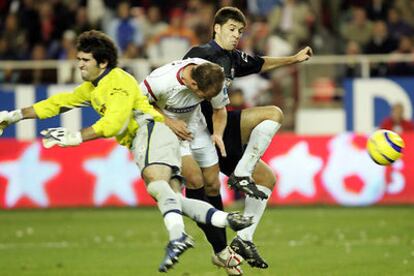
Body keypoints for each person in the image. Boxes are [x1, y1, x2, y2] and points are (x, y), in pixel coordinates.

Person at [0, 30, 254, 273]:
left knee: (157, 184)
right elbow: (57, 104)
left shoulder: (118, 82)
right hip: (147, 138)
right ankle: (223, 221)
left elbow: (115, 123)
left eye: (85, 60)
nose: (79, 65)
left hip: (151, 131)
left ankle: (179, 237)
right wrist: (14, 116)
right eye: (78, 59)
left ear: (103, 62)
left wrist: (75, 137)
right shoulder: (93, 88)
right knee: (172, 199)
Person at [182, 7, 313, 272]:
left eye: (240, 31)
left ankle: (243, 239)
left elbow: (260, 62)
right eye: (231, 29)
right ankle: (239, 179)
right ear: (216, 28)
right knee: (273, 113)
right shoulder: (200, 55)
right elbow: (177, 83)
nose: (236, 35)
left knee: (267, 178)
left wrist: (294, 59)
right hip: (200, 134)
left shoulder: (232, 58)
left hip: (222, 130)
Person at [139, 57, 245, 274]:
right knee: (195, 180)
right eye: (203, 97)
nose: (205, 99)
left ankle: (219, 252)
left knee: (213, 185)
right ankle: (222, 251)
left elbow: (219, 111)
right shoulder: (160, 81)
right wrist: (169, 122)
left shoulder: (212, 76)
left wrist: (217, 134)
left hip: (196, 128)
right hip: (168, 130)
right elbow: (139, 104)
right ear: (193, 84)